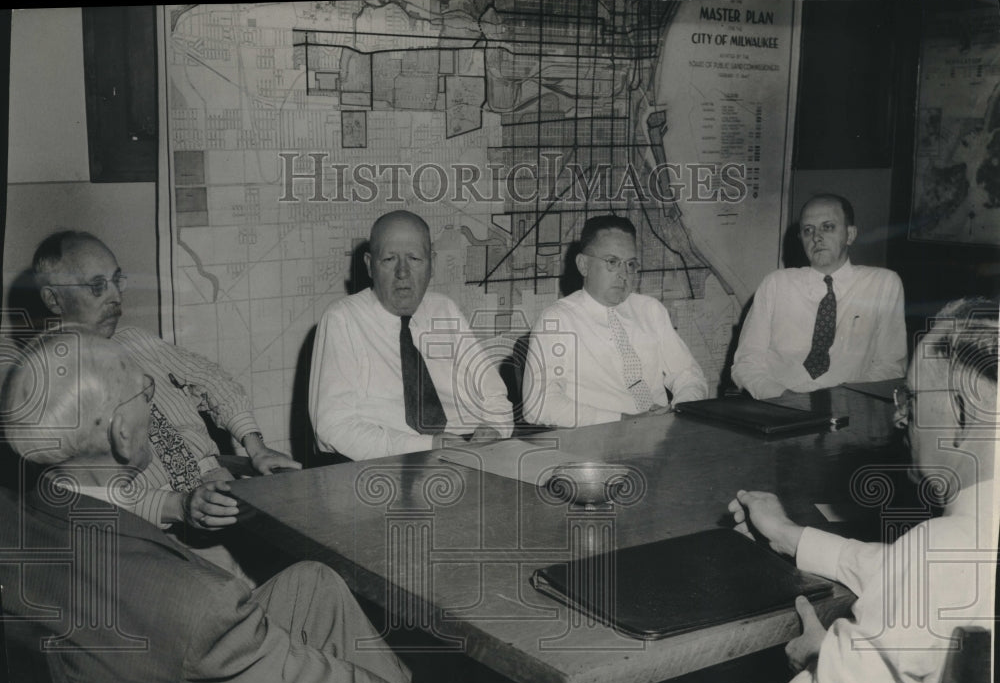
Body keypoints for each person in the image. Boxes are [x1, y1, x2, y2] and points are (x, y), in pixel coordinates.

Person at [0, 332, 430, 683]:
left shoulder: (19, 513)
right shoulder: (196, 605)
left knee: (313, 585)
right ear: (122, 434)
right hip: (179, 663)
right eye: (146, 395)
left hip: (125, 670)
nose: (153, 405)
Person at [726, 297, 997, 683]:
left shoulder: (937, 552)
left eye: (913, 399)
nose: (900, 419)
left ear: (960, 412)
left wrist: (822, 660)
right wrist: (790, 536)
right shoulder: (959, 547)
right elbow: (913, 572)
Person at [32, 230, 300, 543]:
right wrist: (179, 507)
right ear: (53, 299)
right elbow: (78, 492)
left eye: (118, 280)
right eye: (96, 286)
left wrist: (256, 447)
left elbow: (210, 377)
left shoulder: (135, 341)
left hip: (220, 491)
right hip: (148, 533)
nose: (115, 296)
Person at [309, 210, 513, 461]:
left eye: (415, 258)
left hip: (465, 455)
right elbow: (333, 428)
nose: (402, 273)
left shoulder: (444, 309)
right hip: (389, 464)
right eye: (389, 259)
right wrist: (428, 444)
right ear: (369, 265)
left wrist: (494, 428)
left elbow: (493, 394)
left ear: (432, 264)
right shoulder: (343, 319)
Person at [522, 215, 707, 428]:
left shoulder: (650, 310)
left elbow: (689, 375)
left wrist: (678, 410)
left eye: (630, 264)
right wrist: (623, 421)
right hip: (595, 443)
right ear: (583, 265)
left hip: (660, 436)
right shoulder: (558, 320)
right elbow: (538, 405)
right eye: (612, 262)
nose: (623, 275)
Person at [731, 194, 907, 399]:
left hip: (850, 408)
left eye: (828, 227)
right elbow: (746, 363)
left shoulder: (883, 284)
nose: (816, 237)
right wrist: (784, 398)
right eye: (808, 230)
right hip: (779, 405)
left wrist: (840, 400)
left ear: (850, 235)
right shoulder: (776, 284)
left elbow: (891, 368)